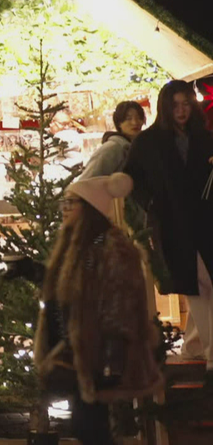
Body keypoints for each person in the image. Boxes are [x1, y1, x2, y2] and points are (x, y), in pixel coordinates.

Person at [35, 173, 163, 445]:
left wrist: (110, 360)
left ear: (90, 209)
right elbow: (67, 294)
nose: (65, 209)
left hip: (97, 356)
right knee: (86, 427)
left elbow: (121, 305)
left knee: (91, 428)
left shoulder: (111, 248)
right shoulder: (77, 245)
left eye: (72, 203)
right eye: (65, 202)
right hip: (77, 353)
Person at [125, 80, 213, 370]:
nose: (181, 110)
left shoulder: (204, 137)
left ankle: (196, 346)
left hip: (205, 221)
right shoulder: (148, 142)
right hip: (174, 223)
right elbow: (132, 179)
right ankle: (208, 350)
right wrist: (151, 205)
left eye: (186, 104)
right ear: (165, 107)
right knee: (198, 284)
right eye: (175, 105)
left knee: (200, 283)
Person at [77, 102, 147, 180]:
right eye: (128, 118)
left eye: (139, 118)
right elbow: (87, 180)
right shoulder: (112, 148)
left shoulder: (138, 147)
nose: (135, 122)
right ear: (119, 123)